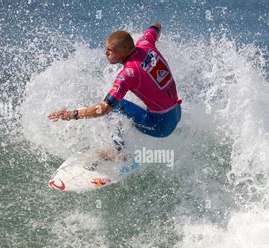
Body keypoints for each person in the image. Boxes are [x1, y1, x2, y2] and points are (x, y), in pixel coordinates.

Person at [48, 23, 182, 159]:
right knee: (123, 104)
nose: (105, 53)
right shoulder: (146, 43)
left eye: (110, 50)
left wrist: (73, 114)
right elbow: (155, 27)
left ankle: (117, 152)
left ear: (124, 50)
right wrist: (155, 28)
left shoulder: (129, 74)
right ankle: (125, 142)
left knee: (115, 105)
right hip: (177, 112)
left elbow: (104, 109)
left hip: (161, 126)